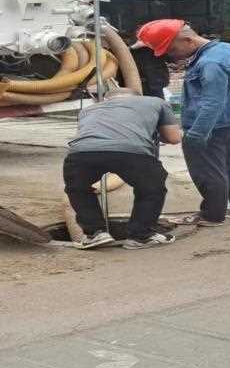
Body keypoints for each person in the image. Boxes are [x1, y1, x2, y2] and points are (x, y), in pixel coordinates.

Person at [136, 20, 230, 226]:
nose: (171, 55)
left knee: (208, 170)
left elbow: (213, 103)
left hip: (211, 125)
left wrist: (197, 134)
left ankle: (211, 215)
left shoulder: (210, 64)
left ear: (188, 40)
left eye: (172, 49)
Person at [64, 88, 182, 250]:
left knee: (78, 189)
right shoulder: (155, 102)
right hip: (132, 152)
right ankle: (141, 236)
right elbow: (173, 138)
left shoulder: (88, 110)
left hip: (81, 152)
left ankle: (95, 233)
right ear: (138, 97)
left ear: (105, 100)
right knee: (151, 188)